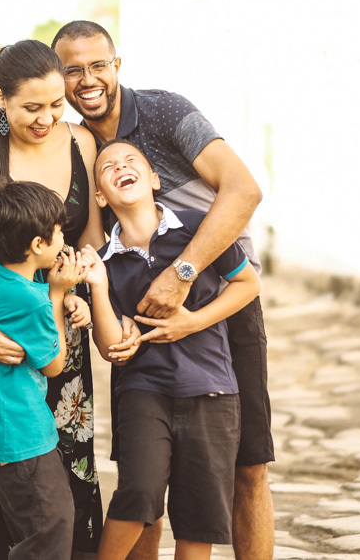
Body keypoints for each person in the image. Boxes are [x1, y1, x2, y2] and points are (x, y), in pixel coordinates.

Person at [52, 21, 274, 560]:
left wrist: (183, 276)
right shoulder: (75, 144)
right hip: (135, 316)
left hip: (216, 296)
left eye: (98, 65)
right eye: (72, 70)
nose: (87, 79)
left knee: (245, 467)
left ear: (116, 66)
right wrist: (91, 297)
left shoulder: (166, 111)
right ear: (59, 80)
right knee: (142, 483)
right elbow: (87, 243)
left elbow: (244, 189)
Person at [0, 39, 137, 560]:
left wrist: (78, 295)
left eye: (55, 105)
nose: (47, 119)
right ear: (1, 98)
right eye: (31, 108)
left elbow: (88, 238)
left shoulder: (81, 145)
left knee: (61, 462)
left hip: (59, 319)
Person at [82, 138, 261, 560]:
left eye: (131, 161)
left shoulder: (199, 228)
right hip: (145, 392)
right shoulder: (103, 263)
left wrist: (194, 321)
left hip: (213, 392)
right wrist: (100, 288)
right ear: (100, 196)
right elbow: (111, 348)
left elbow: (248, 284)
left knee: (199, 518)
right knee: (138, 495)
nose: (120, 167)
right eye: (108, 167)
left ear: (155, 179)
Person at [0, 180, 90, 560]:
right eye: (57, 233)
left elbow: (35, 296)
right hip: (19, 434)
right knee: (52, 526)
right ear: (37, 246)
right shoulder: (31, 299)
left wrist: (63, 295)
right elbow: (54, 365)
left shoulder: (3, 276)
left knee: (35, 529)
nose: (62, 239)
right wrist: (57, 296)